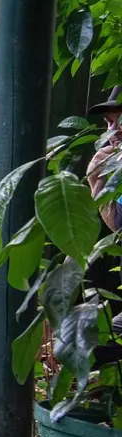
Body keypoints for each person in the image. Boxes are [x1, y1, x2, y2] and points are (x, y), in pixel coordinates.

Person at [85, 85, 122, 334]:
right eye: (110, 122)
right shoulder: (110, 165)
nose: (114, 129)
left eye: (121, 120)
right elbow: (115, 222)